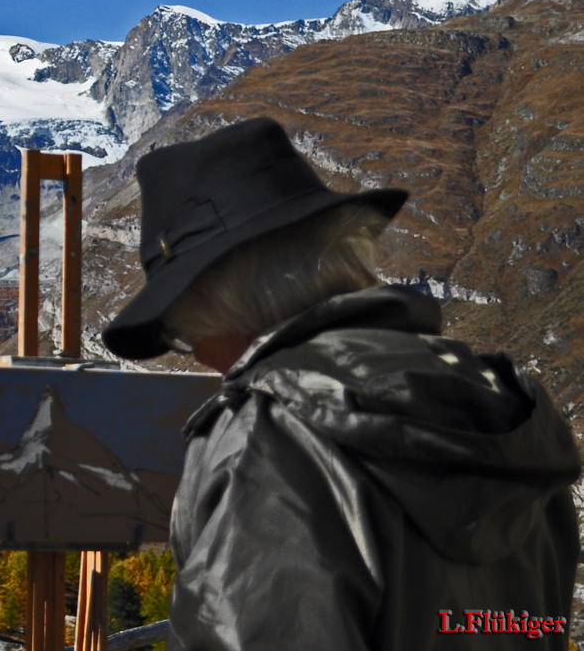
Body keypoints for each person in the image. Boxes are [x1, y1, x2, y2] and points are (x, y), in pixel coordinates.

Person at [102, 117, 580, 650]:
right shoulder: (504, 406)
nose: (202, 360)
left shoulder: (272, 441)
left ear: (225, 303)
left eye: (183, 333)